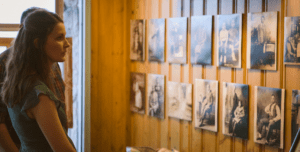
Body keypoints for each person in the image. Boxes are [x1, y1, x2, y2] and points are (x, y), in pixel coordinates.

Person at [1, 10, 75, 151]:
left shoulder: (22, 81)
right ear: (38, 43)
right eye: (59, 38)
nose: (67, 44)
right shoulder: (38, 94)